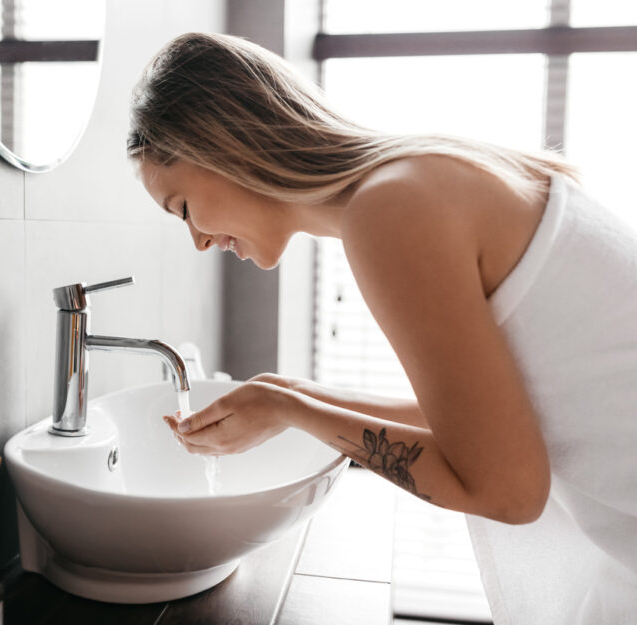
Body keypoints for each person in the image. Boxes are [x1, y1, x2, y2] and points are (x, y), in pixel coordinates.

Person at [127, 32, 637, 624]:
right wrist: (284, 396)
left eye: (184, 207)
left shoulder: (392, 210)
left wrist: (294, 412)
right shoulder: (422, 177)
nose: (197, 240)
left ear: (222, 147)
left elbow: (506, 491)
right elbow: (478, 424)